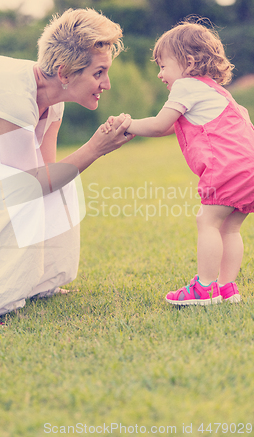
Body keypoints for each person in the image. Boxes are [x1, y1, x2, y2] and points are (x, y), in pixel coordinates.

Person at [0, 8, 132, 326]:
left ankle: (40, 282)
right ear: (64, 73)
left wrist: (90, 152)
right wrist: (95, 149)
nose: (107, 84)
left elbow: (48, 173)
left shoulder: (52, 101)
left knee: (63, 180)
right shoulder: (14, 95)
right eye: (99, 73)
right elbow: (28, 186)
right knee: (18, 194)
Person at [107, 18, 254, 306]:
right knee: (231, 228)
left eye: (163, 65)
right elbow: (245, 118)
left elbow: (161, 126)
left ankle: (205, 288)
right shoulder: (218, 91)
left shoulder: (186, 86)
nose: (160, 74)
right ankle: (226, 287)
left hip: (227, 168)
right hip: (250, 167)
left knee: (207, 221)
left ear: (187, 61)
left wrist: (129, 124)